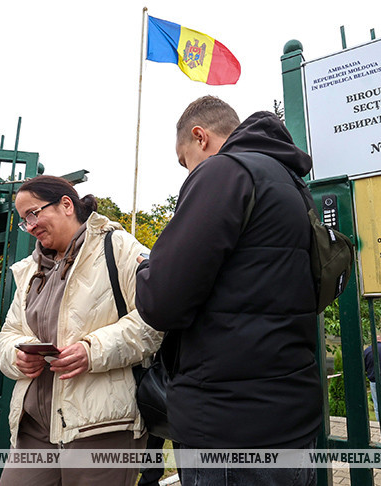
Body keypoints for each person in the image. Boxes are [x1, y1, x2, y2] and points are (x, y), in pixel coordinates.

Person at [135, 96, 322, 486]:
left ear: (200, 137)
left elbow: (161, 302)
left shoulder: (224, 172)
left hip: (227, 426)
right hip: (290, 417)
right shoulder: (291, 183)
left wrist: (146, 270)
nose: (187, 170)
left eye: (184, 160)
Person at [0, 175, 162, 486]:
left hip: (102, 428)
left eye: (33, 214)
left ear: (66, 205)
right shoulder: (29, 270)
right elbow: (7, 334)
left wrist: (92, 350)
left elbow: (154, 320)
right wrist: (16, 356)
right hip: (35, 428)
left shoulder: (119, 247)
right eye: (23, 220)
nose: (29, 226)